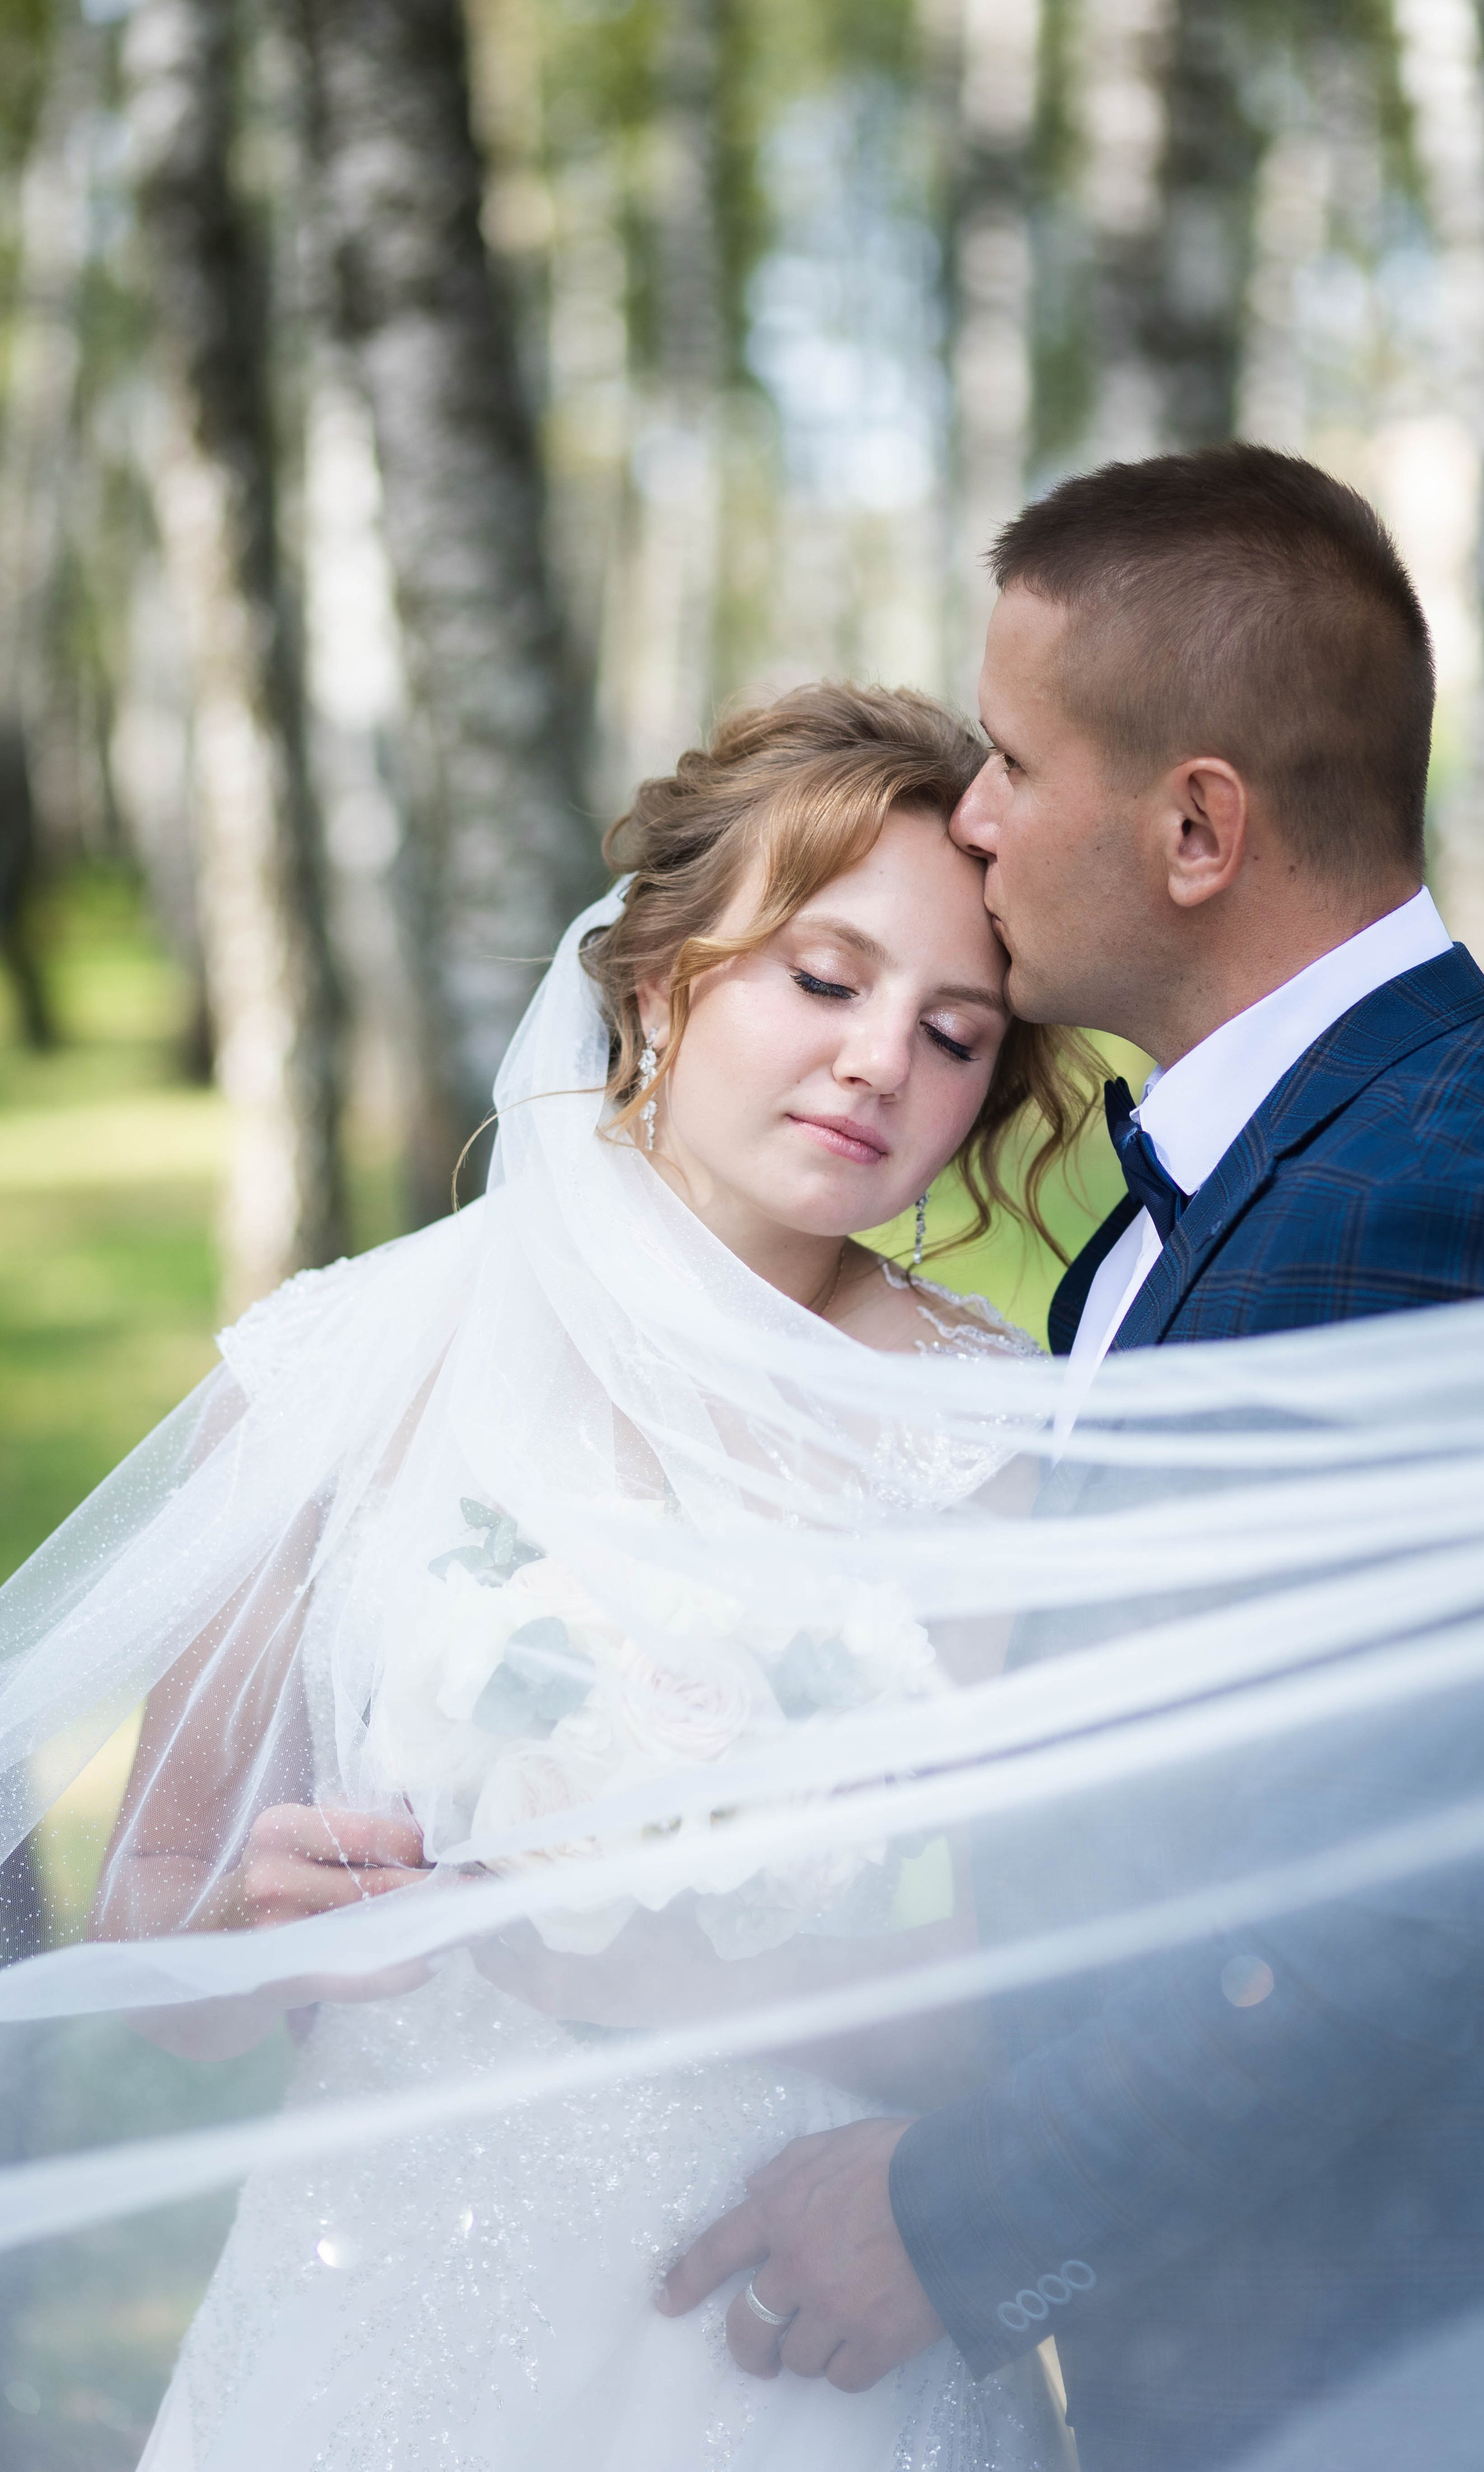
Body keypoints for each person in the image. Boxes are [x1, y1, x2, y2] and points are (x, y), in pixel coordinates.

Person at [660, 449, 1484, 2466]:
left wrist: (952, 2224)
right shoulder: (1260, 1176)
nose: (977, 815)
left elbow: (1390, 1918)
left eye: (1014, 759)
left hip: (1400, 2369)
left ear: (1199, 824)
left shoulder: (1429, 1207)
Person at [104, 681, 1089, 2472]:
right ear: (657, 975)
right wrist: (257, 1930)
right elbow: (150, 1930)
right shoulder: (336, 1374)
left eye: (958, 1033)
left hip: (785, 2321)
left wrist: (660, 1982)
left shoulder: (986, 1440)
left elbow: (1034, 1977)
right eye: (824, 976)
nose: (884, 1059)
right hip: (377, 2317)